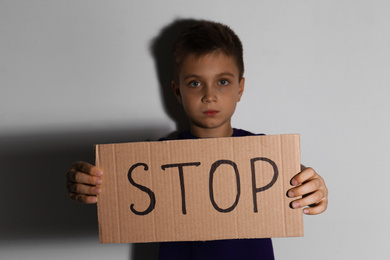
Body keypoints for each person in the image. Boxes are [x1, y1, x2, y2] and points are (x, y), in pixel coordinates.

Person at [66, 20, 328, 260]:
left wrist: (312, 187)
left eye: (222, 81)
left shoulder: (264, 154)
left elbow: (295, 183)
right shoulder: (154, 159)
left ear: (240, 89)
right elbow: (111, 190)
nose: (209, 95)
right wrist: (88, 181)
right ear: (177, 92)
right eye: (195, 84)